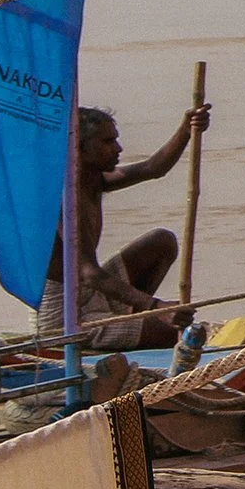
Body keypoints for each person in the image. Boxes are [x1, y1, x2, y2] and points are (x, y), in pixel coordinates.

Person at [39, 102, 208, 351]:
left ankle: (132, 318)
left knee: (162, 242)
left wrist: (187, 129)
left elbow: (154, 168)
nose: (118, 148)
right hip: (66, 314)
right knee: (174, 335)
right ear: (79, 148)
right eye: (108, 142)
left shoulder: (94, 180)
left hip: (91, 294)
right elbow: (89, 273)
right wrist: (156, 307)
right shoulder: (65, 198)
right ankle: (138, 324)